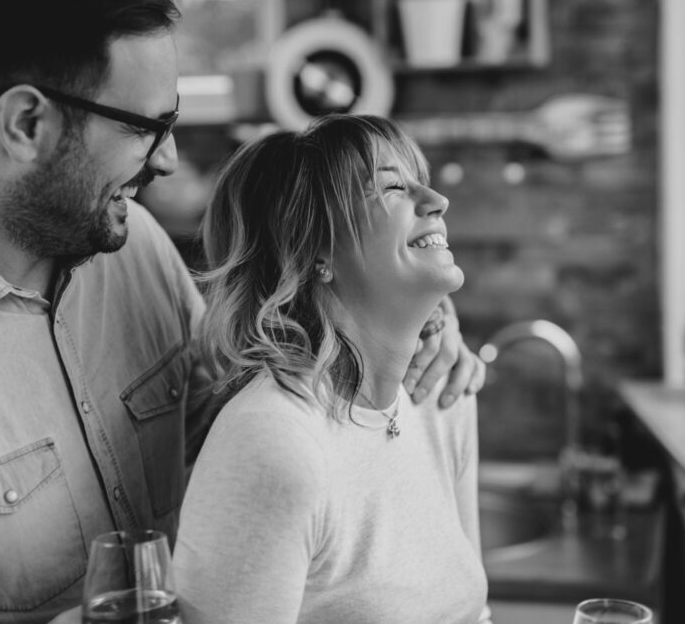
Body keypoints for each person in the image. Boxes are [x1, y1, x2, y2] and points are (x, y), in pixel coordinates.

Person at [0, 0, 483, 622]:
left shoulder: (135, 250)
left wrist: (416, 331)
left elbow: (254, 405)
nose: (170, 157)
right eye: (147, 127)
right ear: (25, 122)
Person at [173, 114, 492, 624]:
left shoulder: (444, 396)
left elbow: (475, 615)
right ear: (314, 250)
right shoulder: (273, 444)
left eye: (419, 180)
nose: (437, 201)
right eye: (392, 187)